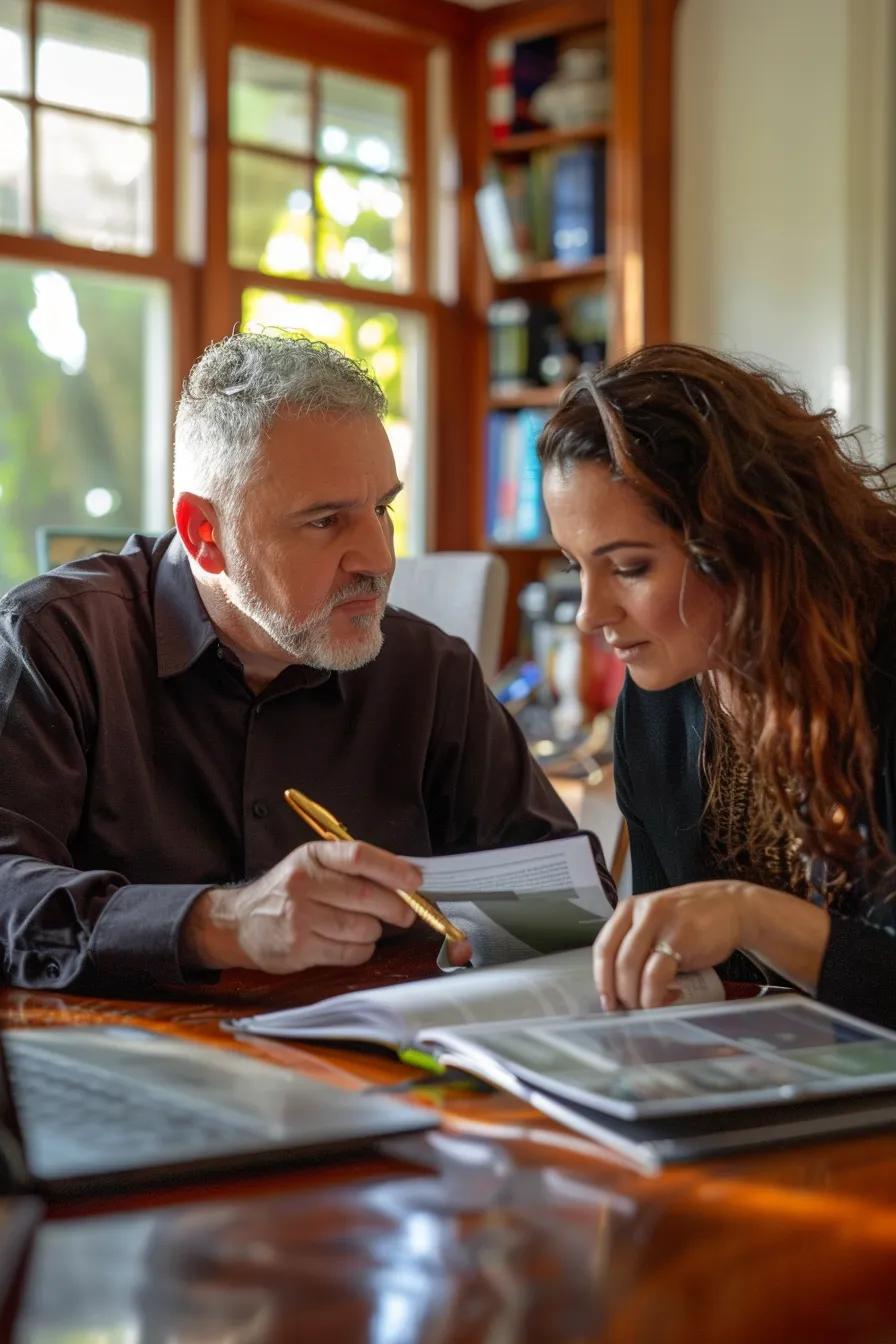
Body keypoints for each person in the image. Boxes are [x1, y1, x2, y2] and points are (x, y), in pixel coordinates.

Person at [0, 331, 606, 993]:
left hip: (378, 1073)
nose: (377, 558)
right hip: (120, 1076)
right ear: (206, 535)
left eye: (382, 509)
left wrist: (519, 936)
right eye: (325, 521)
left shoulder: (430, 672)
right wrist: (218, 923)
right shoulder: (55, 642)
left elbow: (563, 897)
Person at [538, 342, 896, 1028]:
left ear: (743, 539)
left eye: (631, 567)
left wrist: (751, 915)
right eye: (575, 566)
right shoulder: (657, 702)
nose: (589, 613)